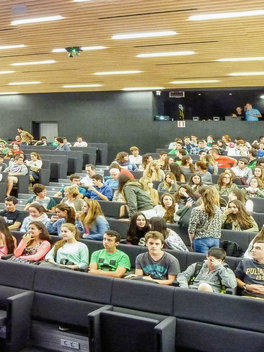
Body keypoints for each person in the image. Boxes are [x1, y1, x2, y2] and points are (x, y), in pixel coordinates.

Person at [189, 186, 222, 253]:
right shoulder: (218, 210)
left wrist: (192, 241)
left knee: (203, 262)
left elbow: (191, 230)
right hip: (215, 239)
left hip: (201, 240)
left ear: (201, 196)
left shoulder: (196, 210)